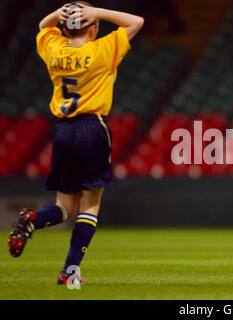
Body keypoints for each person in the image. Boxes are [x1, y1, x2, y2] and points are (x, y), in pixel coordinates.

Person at [8, 2, 144, 285]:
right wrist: (98, 11)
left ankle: (32, 218)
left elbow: (42, 27)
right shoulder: (101, 50)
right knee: (89, 207)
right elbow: (137, 21)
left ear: (66, 27)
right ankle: (70, 270)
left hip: (63, 130)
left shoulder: (54, 49)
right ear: (93, 28)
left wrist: (60, 13)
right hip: (93, 127)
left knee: (64, 206)